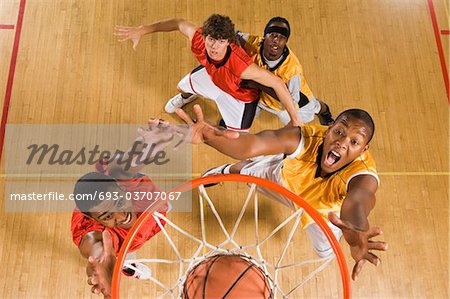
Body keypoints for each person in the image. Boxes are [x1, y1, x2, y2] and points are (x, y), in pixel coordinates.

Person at [174, 104, 388, 280]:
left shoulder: (363, 176)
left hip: (321, 213)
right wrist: (208, 136)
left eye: (354, 142)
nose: (342, 143)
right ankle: (226, 170)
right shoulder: (303, 137)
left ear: (364, 149)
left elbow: (358, 203)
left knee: (326, 253)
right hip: (285, 182)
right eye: (339, 132)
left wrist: (355, 234)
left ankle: (260, 165)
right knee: (247, 171)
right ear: (329, 128)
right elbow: (250, 145)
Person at [114, 14, 302, 131]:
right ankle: (187, 98)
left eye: (221, 42)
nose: (214, 47)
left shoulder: (241, 65)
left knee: (235, 136)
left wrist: (295, 119)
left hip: (238, 97)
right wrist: (144, 29)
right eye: (211, 39)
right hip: (214, 77)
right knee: (183, 86)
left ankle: (217, 125)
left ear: (229, 42)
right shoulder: (198, 39)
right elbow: (178, 23)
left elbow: (276, 83)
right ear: (204, 36)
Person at [71, 121, 176, 297]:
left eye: (119, 201)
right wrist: (101, 264)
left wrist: (148, 146)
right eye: (107, 216)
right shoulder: (95, 235)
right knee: (123, 255)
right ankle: (127, 267)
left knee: (162, 206)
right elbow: (96, 249)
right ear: (95, 221)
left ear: (120, 188)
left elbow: (126, 166)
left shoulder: (121, 180)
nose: (122, 216)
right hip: (124, 243)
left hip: (151, 207)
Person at [237, 17, 334, 125]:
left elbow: (290, 100)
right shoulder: (254, 42)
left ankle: (324, 111)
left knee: (314, 107)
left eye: (282, 37)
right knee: (240, 110)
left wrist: (259, 85)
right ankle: (235, 119)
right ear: (265, 36)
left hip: (290, 102)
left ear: (286, 41)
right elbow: (236, 35)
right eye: (272, 34)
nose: (276, 40)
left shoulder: (292, 70)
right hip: (260, 96)